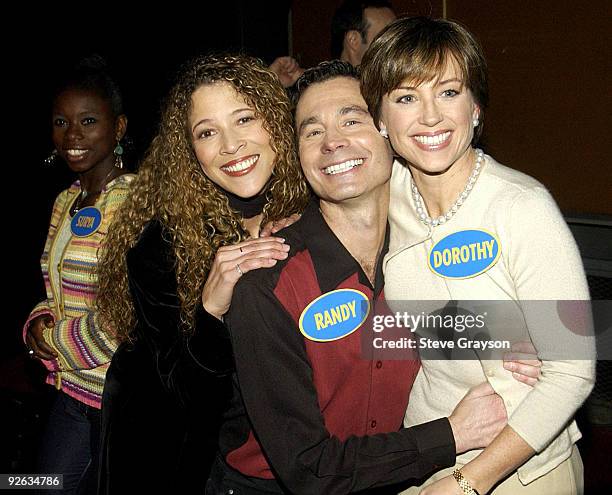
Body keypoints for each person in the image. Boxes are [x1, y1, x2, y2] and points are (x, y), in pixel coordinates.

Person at [208, 60, 540, 495]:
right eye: (312, 131)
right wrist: (453, 434)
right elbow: (308, 470)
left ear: (389, 132)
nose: (332, 143)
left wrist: (520, 335)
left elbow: (558, 334)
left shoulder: (427, 254)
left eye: (352, 119)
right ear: (299, 155)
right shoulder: (266, 285)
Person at [360, 16, 596, 495]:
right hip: (425, 452)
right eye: (407, 97)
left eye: (448, 92)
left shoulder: (521, 206)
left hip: (522, 467)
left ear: (475, 108)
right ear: (382, 120)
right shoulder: (387, 195)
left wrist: (469, 482)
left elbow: (573, 371)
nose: (430, 116)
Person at [95, 54, 310, 494]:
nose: (230, 146)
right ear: (191, 152)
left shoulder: (317, 210)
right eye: (207, 132)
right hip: (177, 460)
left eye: (245, 118)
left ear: (277, 122)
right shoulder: (160, 248)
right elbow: (182, 400)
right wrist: (210, 308)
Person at [22, 55, 134, 494]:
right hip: (70, 394)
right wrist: (36, 322)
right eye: (61, 121)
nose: (72, 135)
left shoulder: (135, 202)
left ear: (119, 127)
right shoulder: (65, 201)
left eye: (88, 120)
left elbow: (128, 315)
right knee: (31, 485)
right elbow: (55, 285)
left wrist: (52, 345)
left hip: (116, 399)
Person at [269, 0, 396, 88]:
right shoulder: (317, 92)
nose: (396, 41)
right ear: (353, 40)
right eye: (386, 35)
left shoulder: (395, 86)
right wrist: (271, 84)